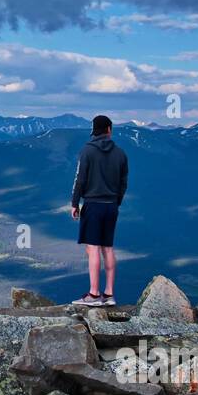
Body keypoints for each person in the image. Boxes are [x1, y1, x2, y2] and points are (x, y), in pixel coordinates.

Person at [70, 114, 128, 306]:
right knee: (108, 248)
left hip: (93, 205)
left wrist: (74, 203)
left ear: (93, 130)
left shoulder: (87, 151)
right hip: (111, 206)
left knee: (93, 248)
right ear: (109, 129)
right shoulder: (120, 153)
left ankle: (94, 295)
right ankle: (109, 294)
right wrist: (116, 202)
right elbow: (123, 183)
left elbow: (81, 179)